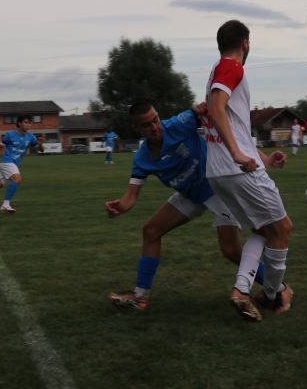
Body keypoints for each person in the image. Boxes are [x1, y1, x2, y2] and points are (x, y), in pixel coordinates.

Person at [105, 102, 268, 311]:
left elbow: (215, 112)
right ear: (136, 128)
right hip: (190, 194)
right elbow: (131, 195)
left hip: (217, 187)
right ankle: (140, 297)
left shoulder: (178, 124)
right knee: (151, 231)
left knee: (231, 251)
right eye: (146, 125)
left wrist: (210, 105)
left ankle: (276, 288)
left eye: (155, 120)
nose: (154, 127)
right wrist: (120, 206)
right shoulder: (142, 159)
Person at [203, 20, 293, 322]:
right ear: (245, 43)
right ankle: (272, 296)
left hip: (220, 172)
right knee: (282, 229)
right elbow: (216, 108)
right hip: (235, 168)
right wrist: (237, 154)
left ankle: (242, 290)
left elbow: (230, 122)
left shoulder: (217, 71)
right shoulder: (232, 67)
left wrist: (263, 158)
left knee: (264, 230)